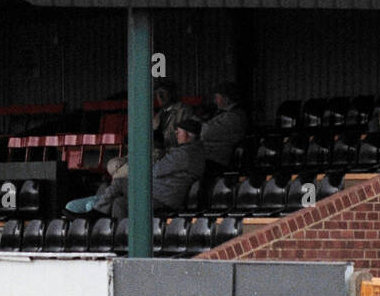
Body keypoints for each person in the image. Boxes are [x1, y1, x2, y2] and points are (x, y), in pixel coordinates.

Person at [67, 119, 207, 219]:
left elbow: (156, 170)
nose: (176, 135)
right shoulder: (195, 152)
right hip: (162, 195)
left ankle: (96, 213)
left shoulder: (184, 153)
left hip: (162, 198)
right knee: (119, 203)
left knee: (120, 182)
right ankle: (120, 237)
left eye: (179, 133)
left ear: (188, 134)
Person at [199, 83, 249, 173]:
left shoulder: (234, 117)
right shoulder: (227, 114)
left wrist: (196, 124)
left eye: (217, 97)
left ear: (226, 99)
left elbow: (205, 133)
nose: (214, 101)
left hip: (217, 159)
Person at [152, 79, 195, 150]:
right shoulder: (159, 115)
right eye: (157, 93)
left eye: (163, 92)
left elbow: (188, 139)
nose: (160, 96)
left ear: (171, 93)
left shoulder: (184, 111)